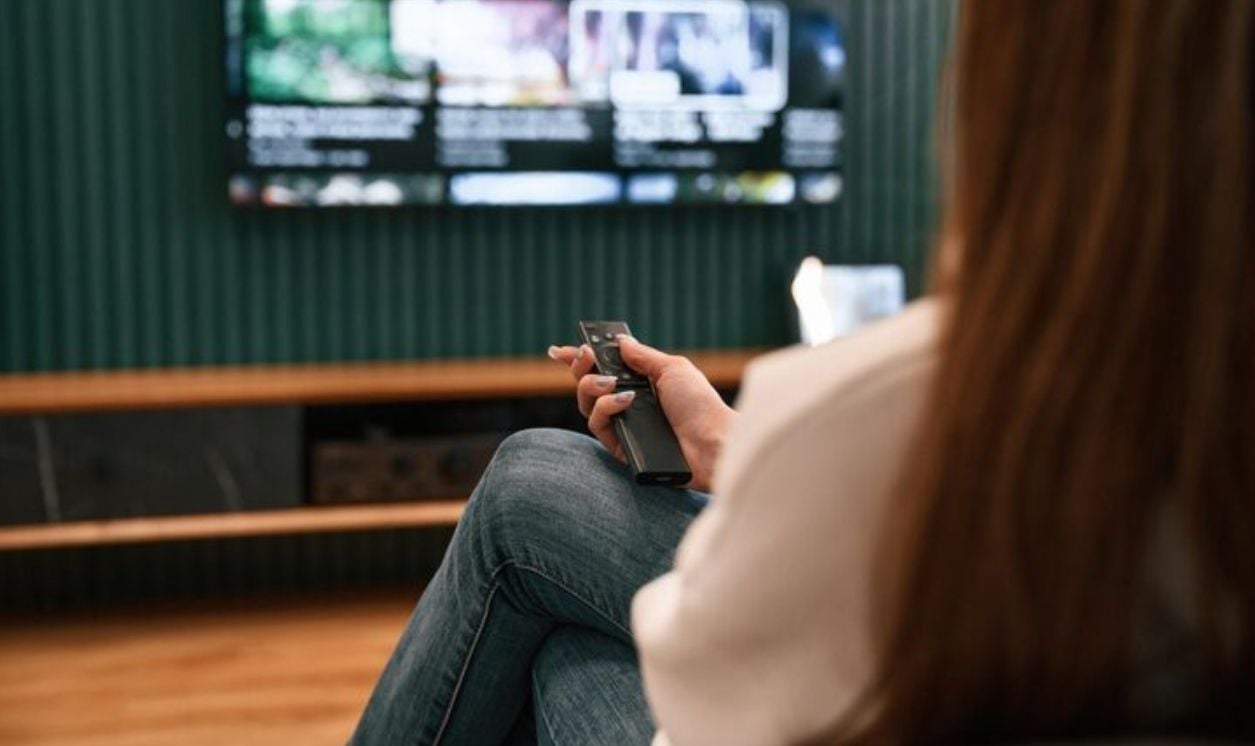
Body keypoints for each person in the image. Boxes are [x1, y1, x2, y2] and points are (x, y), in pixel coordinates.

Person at [353, 1, 1253, 743]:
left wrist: (781, 457)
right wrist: (730, 446)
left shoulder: (887, 409)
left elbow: (708, 677)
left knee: (534, 531)